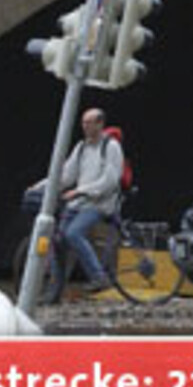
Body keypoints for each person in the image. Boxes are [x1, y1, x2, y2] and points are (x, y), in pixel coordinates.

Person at [29, 107, 124, 293]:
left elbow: (110, 181)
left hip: (99, 203)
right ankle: (54, 290)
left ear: (100, 124)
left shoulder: (111, 147)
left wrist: (81, 191)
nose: (85, 126)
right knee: (57, 240)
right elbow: (65, 176)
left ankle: (99, 277)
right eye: (83, 122)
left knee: (73, 233)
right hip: (78, 203)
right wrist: (40, 186)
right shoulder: (81, 147)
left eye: (90, 122)